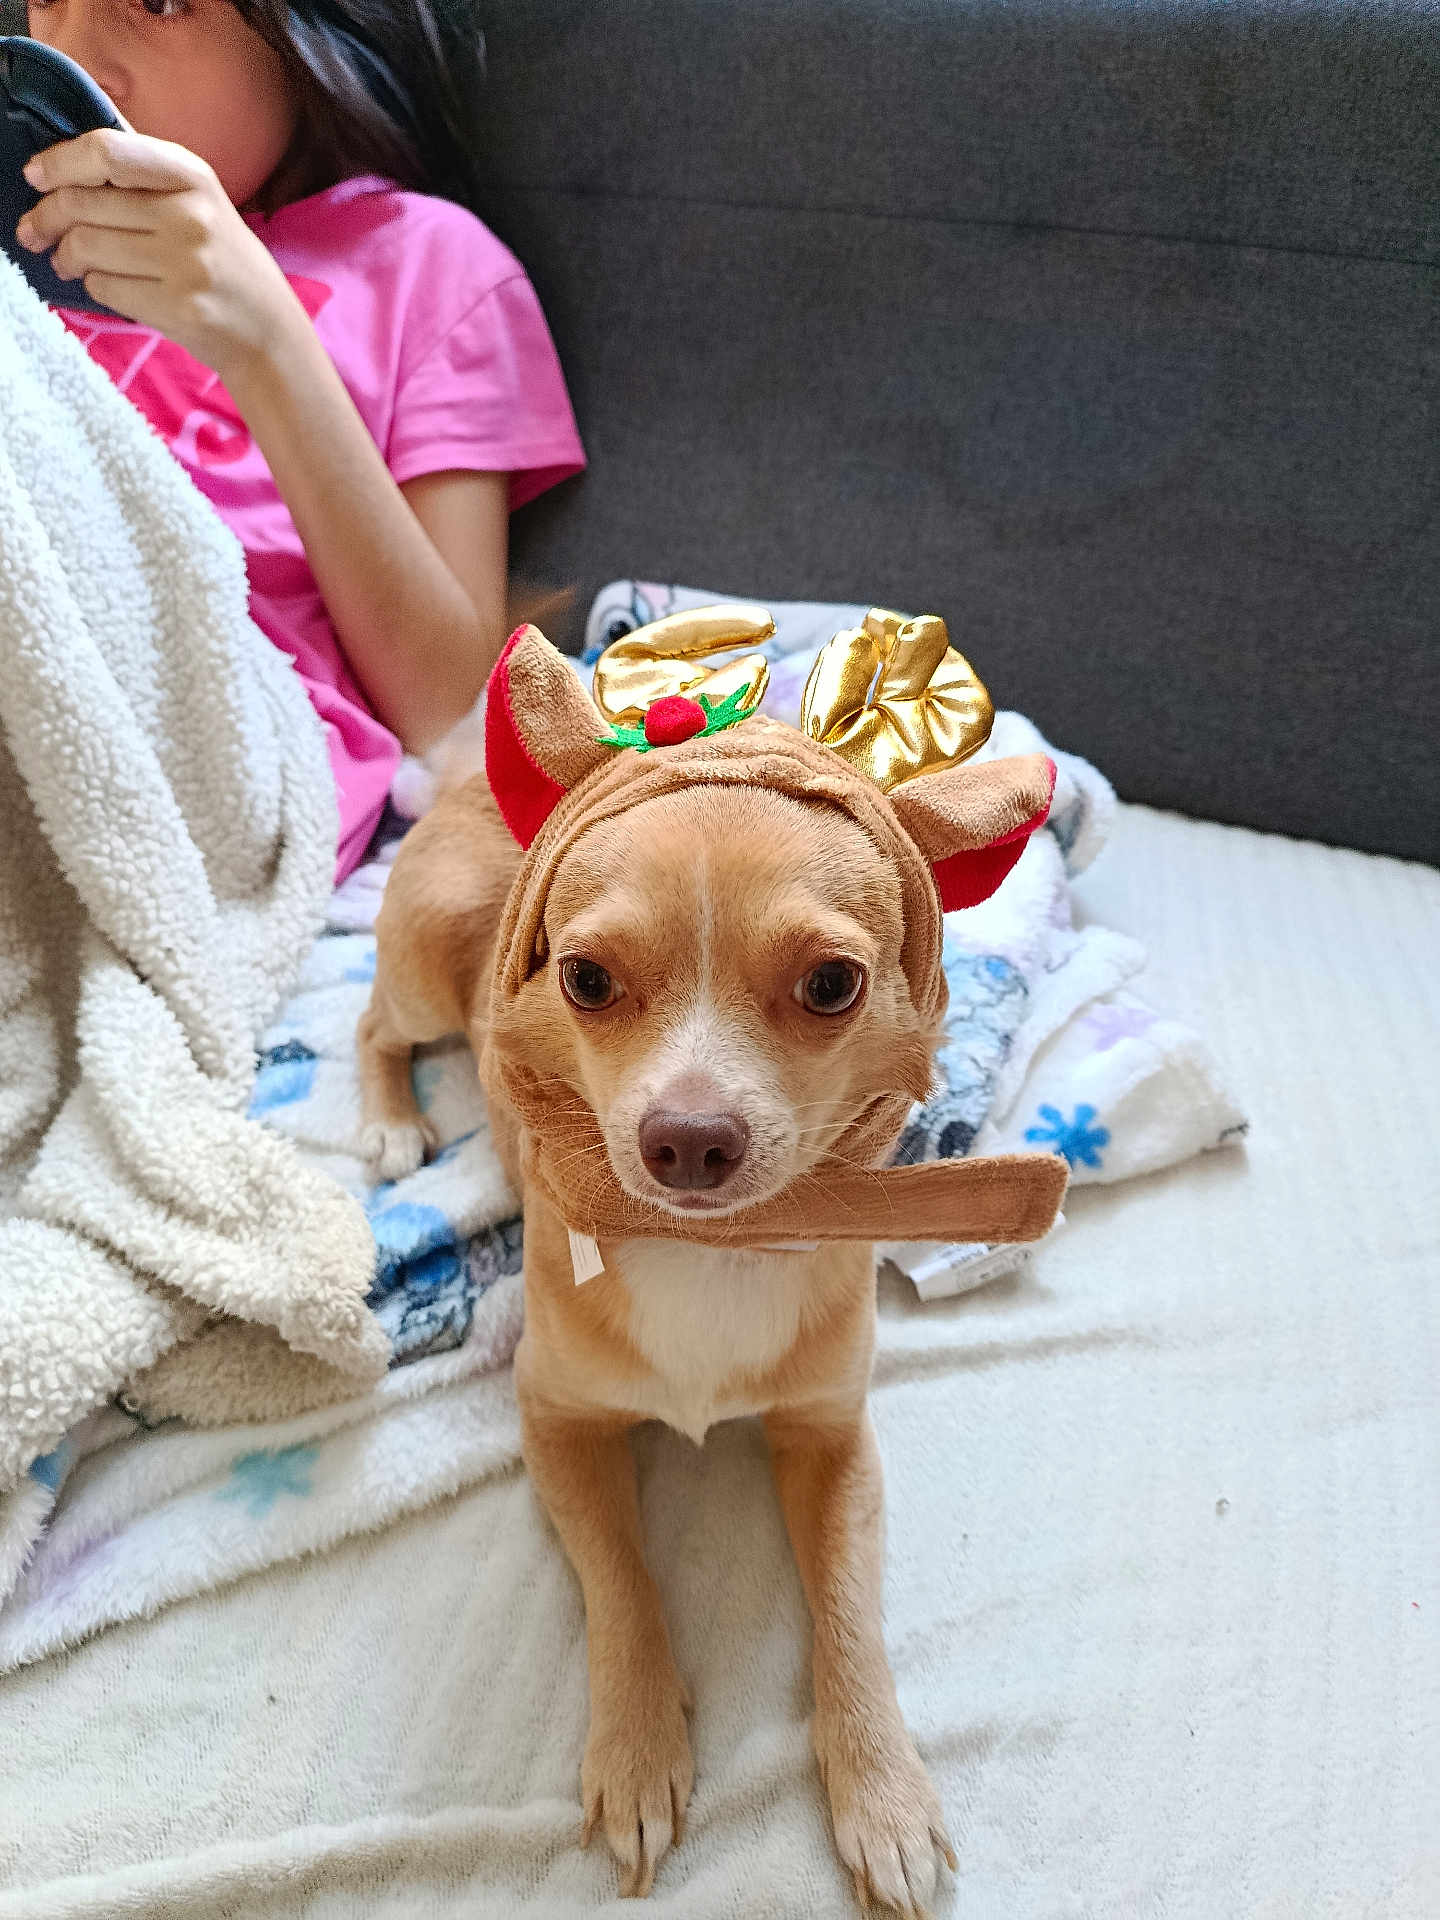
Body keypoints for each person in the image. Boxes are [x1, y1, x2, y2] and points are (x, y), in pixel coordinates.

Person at [14, 0, 585, 879]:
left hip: (214, 745)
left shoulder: (429, 265)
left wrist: (265, 340)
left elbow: (444, 706)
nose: (81, 61)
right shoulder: (22, 251)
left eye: (158, 3)